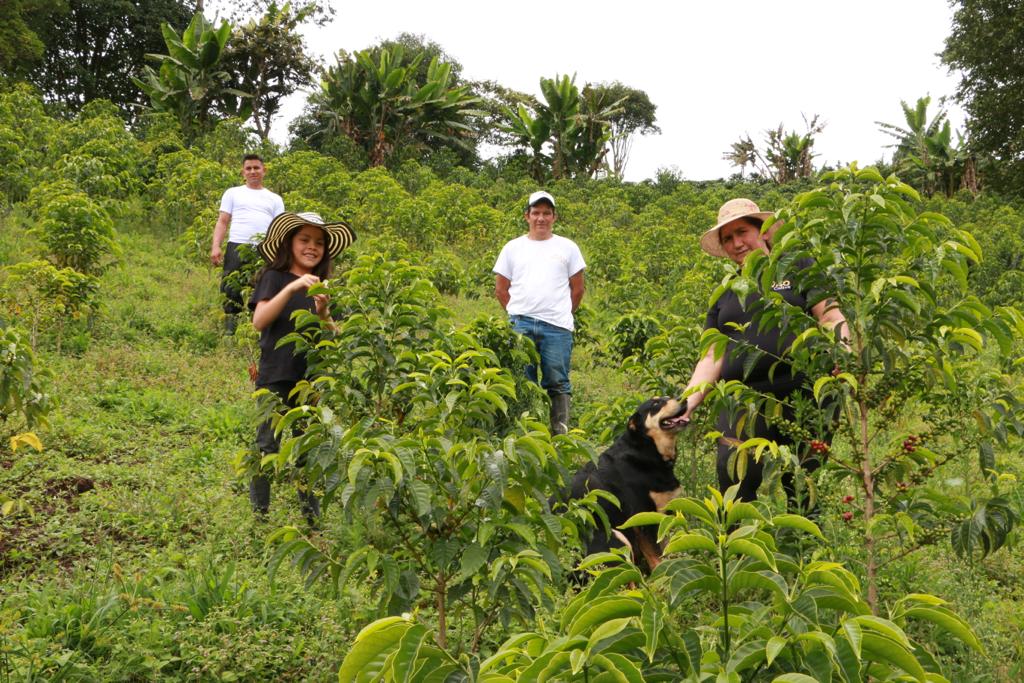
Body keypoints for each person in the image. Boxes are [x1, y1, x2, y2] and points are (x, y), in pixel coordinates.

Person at [679, 198, 846, 509]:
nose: (736, 243)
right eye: (727, 238)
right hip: (745, 401)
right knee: (734, 476)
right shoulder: (726, 292)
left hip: (804, 394)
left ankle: (803, 551)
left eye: (742, 232)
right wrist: (686, 403)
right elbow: (711, 356)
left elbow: (831, 317)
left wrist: (844, 358)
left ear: (765, 232)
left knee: (803, 482)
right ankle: (739, 550)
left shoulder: (798, 267)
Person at [248, 211, 356, 520]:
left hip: (309, 380)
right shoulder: (274, 277)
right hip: (274, 376)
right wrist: (292, 289)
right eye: (305, 240)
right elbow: (260, 321)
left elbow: (332, 338)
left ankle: (312, 517)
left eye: (319, 242)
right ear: (289, 243)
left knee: (307, 449)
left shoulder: (322, 285)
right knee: (266, 445)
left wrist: (323, 313)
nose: (312, 247)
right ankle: (260, 516)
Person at [494, 191, 586, 434]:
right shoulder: (513, 248)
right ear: (527, 216)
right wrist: (517, 313)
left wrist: (562, 314)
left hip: (557, 327)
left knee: (558, 382)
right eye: (536, 213)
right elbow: (501, 289)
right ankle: (524, 433)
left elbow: (578, 289)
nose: (541, 218)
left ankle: (560, 436)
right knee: (522, 382)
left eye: (546, 213)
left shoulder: (568, 247)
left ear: (554, 217)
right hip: (520, 326)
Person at [211, 154, 285, 335]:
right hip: (237, 245)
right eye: (248, 168)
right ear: (243, 172)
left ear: (264, 170)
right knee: (230, 287)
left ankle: (258, 329)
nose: (253, 172)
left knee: (262, 287)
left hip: (264, 249)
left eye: (256, 168)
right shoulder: (232, 193)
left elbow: (280, 228)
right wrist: (216, 246)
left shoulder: (274, 199)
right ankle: (230, 329)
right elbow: (222, 221)